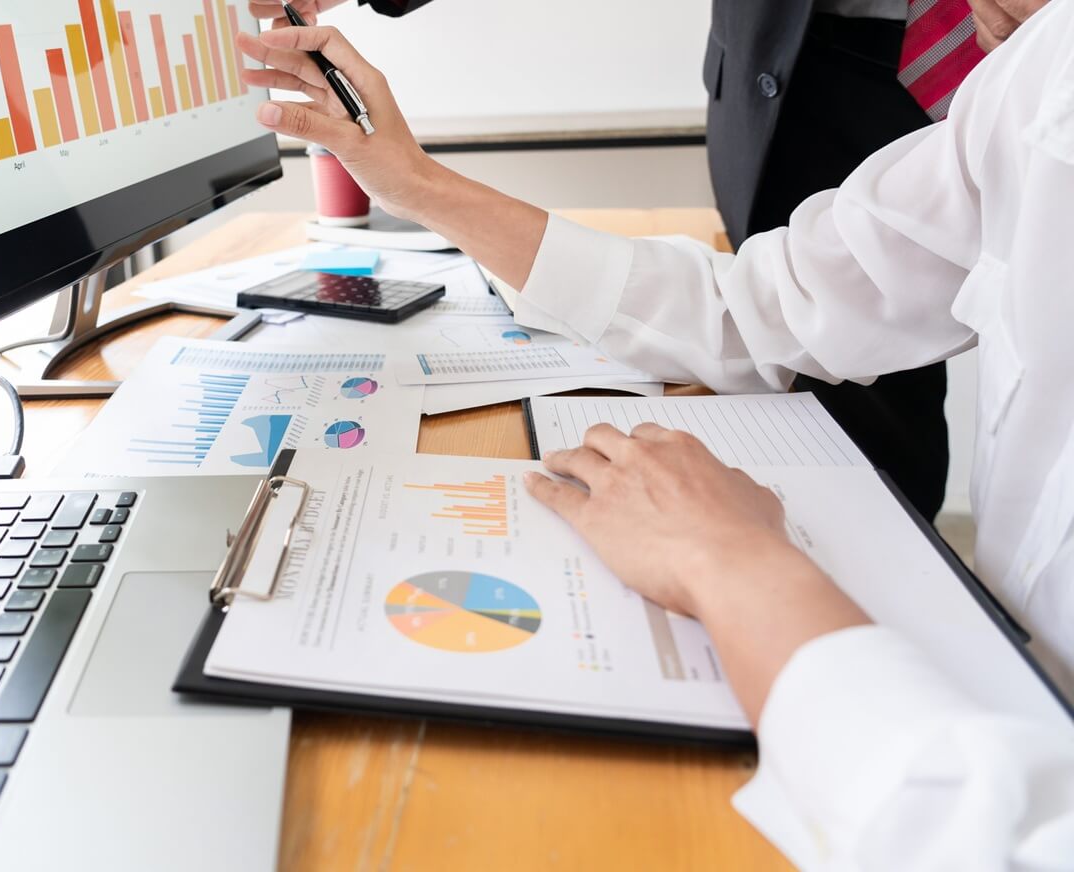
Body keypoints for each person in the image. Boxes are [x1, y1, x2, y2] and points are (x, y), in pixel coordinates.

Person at [235, 1, 1074, 868]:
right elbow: (760, 310)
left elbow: (986, 835)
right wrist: (415, 183)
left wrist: (730, 559)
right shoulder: (1040, 69)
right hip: (1004, 662)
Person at [249, 0, 1028, 522]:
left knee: (879, 452)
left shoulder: (1023, 93)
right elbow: (760, 315)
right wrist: (419, 186)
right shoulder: (1018, 109)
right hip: (806, 83)